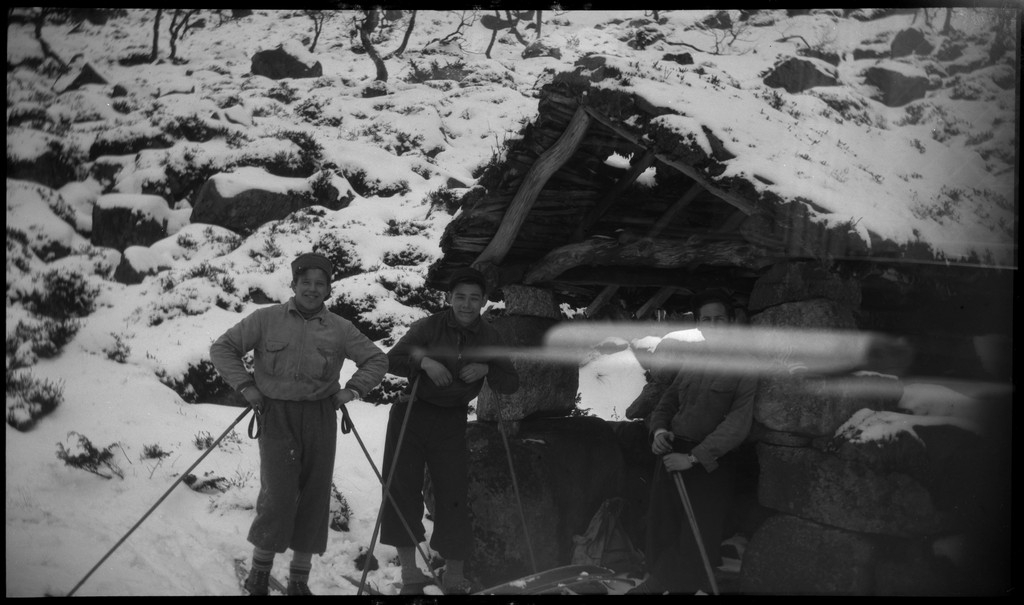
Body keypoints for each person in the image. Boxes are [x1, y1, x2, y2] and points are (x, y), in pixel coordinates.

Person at [210, 252, 388, 596]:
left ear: (327, 290)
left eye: (319, 284)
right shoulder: (265, 320)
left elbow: (377, 359)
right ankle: (259, 575)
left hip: (320, 415)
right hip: (276, 415)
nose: (312, 289)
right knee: (277, 495)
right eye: (305, 282)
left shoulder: (340, 328)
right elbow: (223, 348)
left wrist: (352, 390)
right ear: (293, 285)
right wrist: (246, 387)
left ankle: (299, 580)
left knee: (315, 495)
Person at [380, 266, 519, 595]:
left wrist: (487, 367)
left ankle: (454, 576)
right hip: (411, 413)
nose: (467, 304)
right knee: (402, 489)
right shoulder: (429, 326)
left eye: (474, 298)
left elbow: (510, 382)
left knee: (453, 493)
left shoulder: (489, 336)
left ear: (484, 301)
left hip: (451, 420)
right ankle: (410, 574)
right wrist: (425, 362)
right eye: (460, 297)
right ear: (448, 298)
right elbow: (393, 359)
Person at [628, 288, 757, 595]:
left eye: (719, 319)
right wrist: (658, 432)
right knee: (662, 528)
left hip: (709, 462)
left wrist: (694, 458)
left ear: (730, 322)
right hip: (672, 453)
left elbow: (738, 423)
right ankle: (661, 582)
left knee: (698, 537)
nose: (712, 324)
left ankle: (657, 587)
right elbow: (667, 403)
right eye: (706, 319)